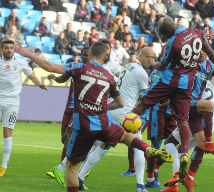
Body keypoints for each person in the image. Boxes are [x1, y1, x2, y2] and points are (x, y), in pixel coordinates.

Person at [15, 40, 174, 192]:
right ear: (105, 57)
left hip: (83, 126)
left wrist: (27, 53)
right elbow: (120, 102)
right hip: (105, 123)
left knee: (71, 166)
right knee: (126, 137)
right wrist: (102, 107)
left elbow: (49, 66)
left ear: (89, 54)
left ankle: (75, 178)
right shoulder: (109, 76)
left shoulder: (80, 68)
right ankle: (147, 149)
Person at [129, 17, 214, 185]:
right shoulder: (197, 32)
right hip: (186, 86)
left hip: (170, 81)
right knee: (182, 123)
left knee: (142, 104)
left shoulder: (173, 43)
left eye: (163, 35)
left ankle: (121, 128)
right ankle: (184, 154)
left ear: (167, 32)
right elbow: (213, 53)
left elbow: (162, 67)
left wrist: (152, 65)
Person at [78, 47, 156, 192]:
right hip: (127, 115)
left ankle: (80, 177)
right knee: (139, 147)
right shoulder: (142, 73)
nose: (150, 60)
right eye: (147, 56)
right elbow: (145, 96)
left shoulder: (129, 66)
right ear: (139, 57)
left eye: (153, 57)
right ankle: (140, 185)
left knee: (103, 146)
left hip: (114, 110)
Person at [162, 50, 214, 192]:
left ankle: (175, 180)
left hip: (198, 111)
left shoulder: (210, 66)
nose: (201, 52)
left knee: (175, 145)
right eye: (199, 49)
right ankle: (184, 178)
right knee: (193, 144)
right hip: (192, 104)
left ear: (209, 52)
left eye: (204, 49)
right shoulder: (188, 62)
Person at [0, 40, 48, 177]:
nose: (9, 50)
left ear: (14, 50)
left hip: (12, 101)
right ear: (1, 49)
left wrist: (40, 85)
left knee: (7, 132)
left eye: (11, 48)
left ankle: (4, 165)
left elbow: (31, 76)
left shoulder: (20, 63)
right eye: (6, 48)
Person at [45, 47, 91, 185]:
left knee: (71, 137)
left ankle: (69, 169)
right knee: (64, 139)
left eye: (89, 54)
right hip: (68, 107)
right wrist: (54, 77)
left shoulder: (93, 71)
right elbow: (62, 78)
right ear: (80, 56)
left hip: (80, 108)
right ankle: (63, 168)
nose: (87, 57)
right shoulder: (76, 68)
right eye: (84, 54)